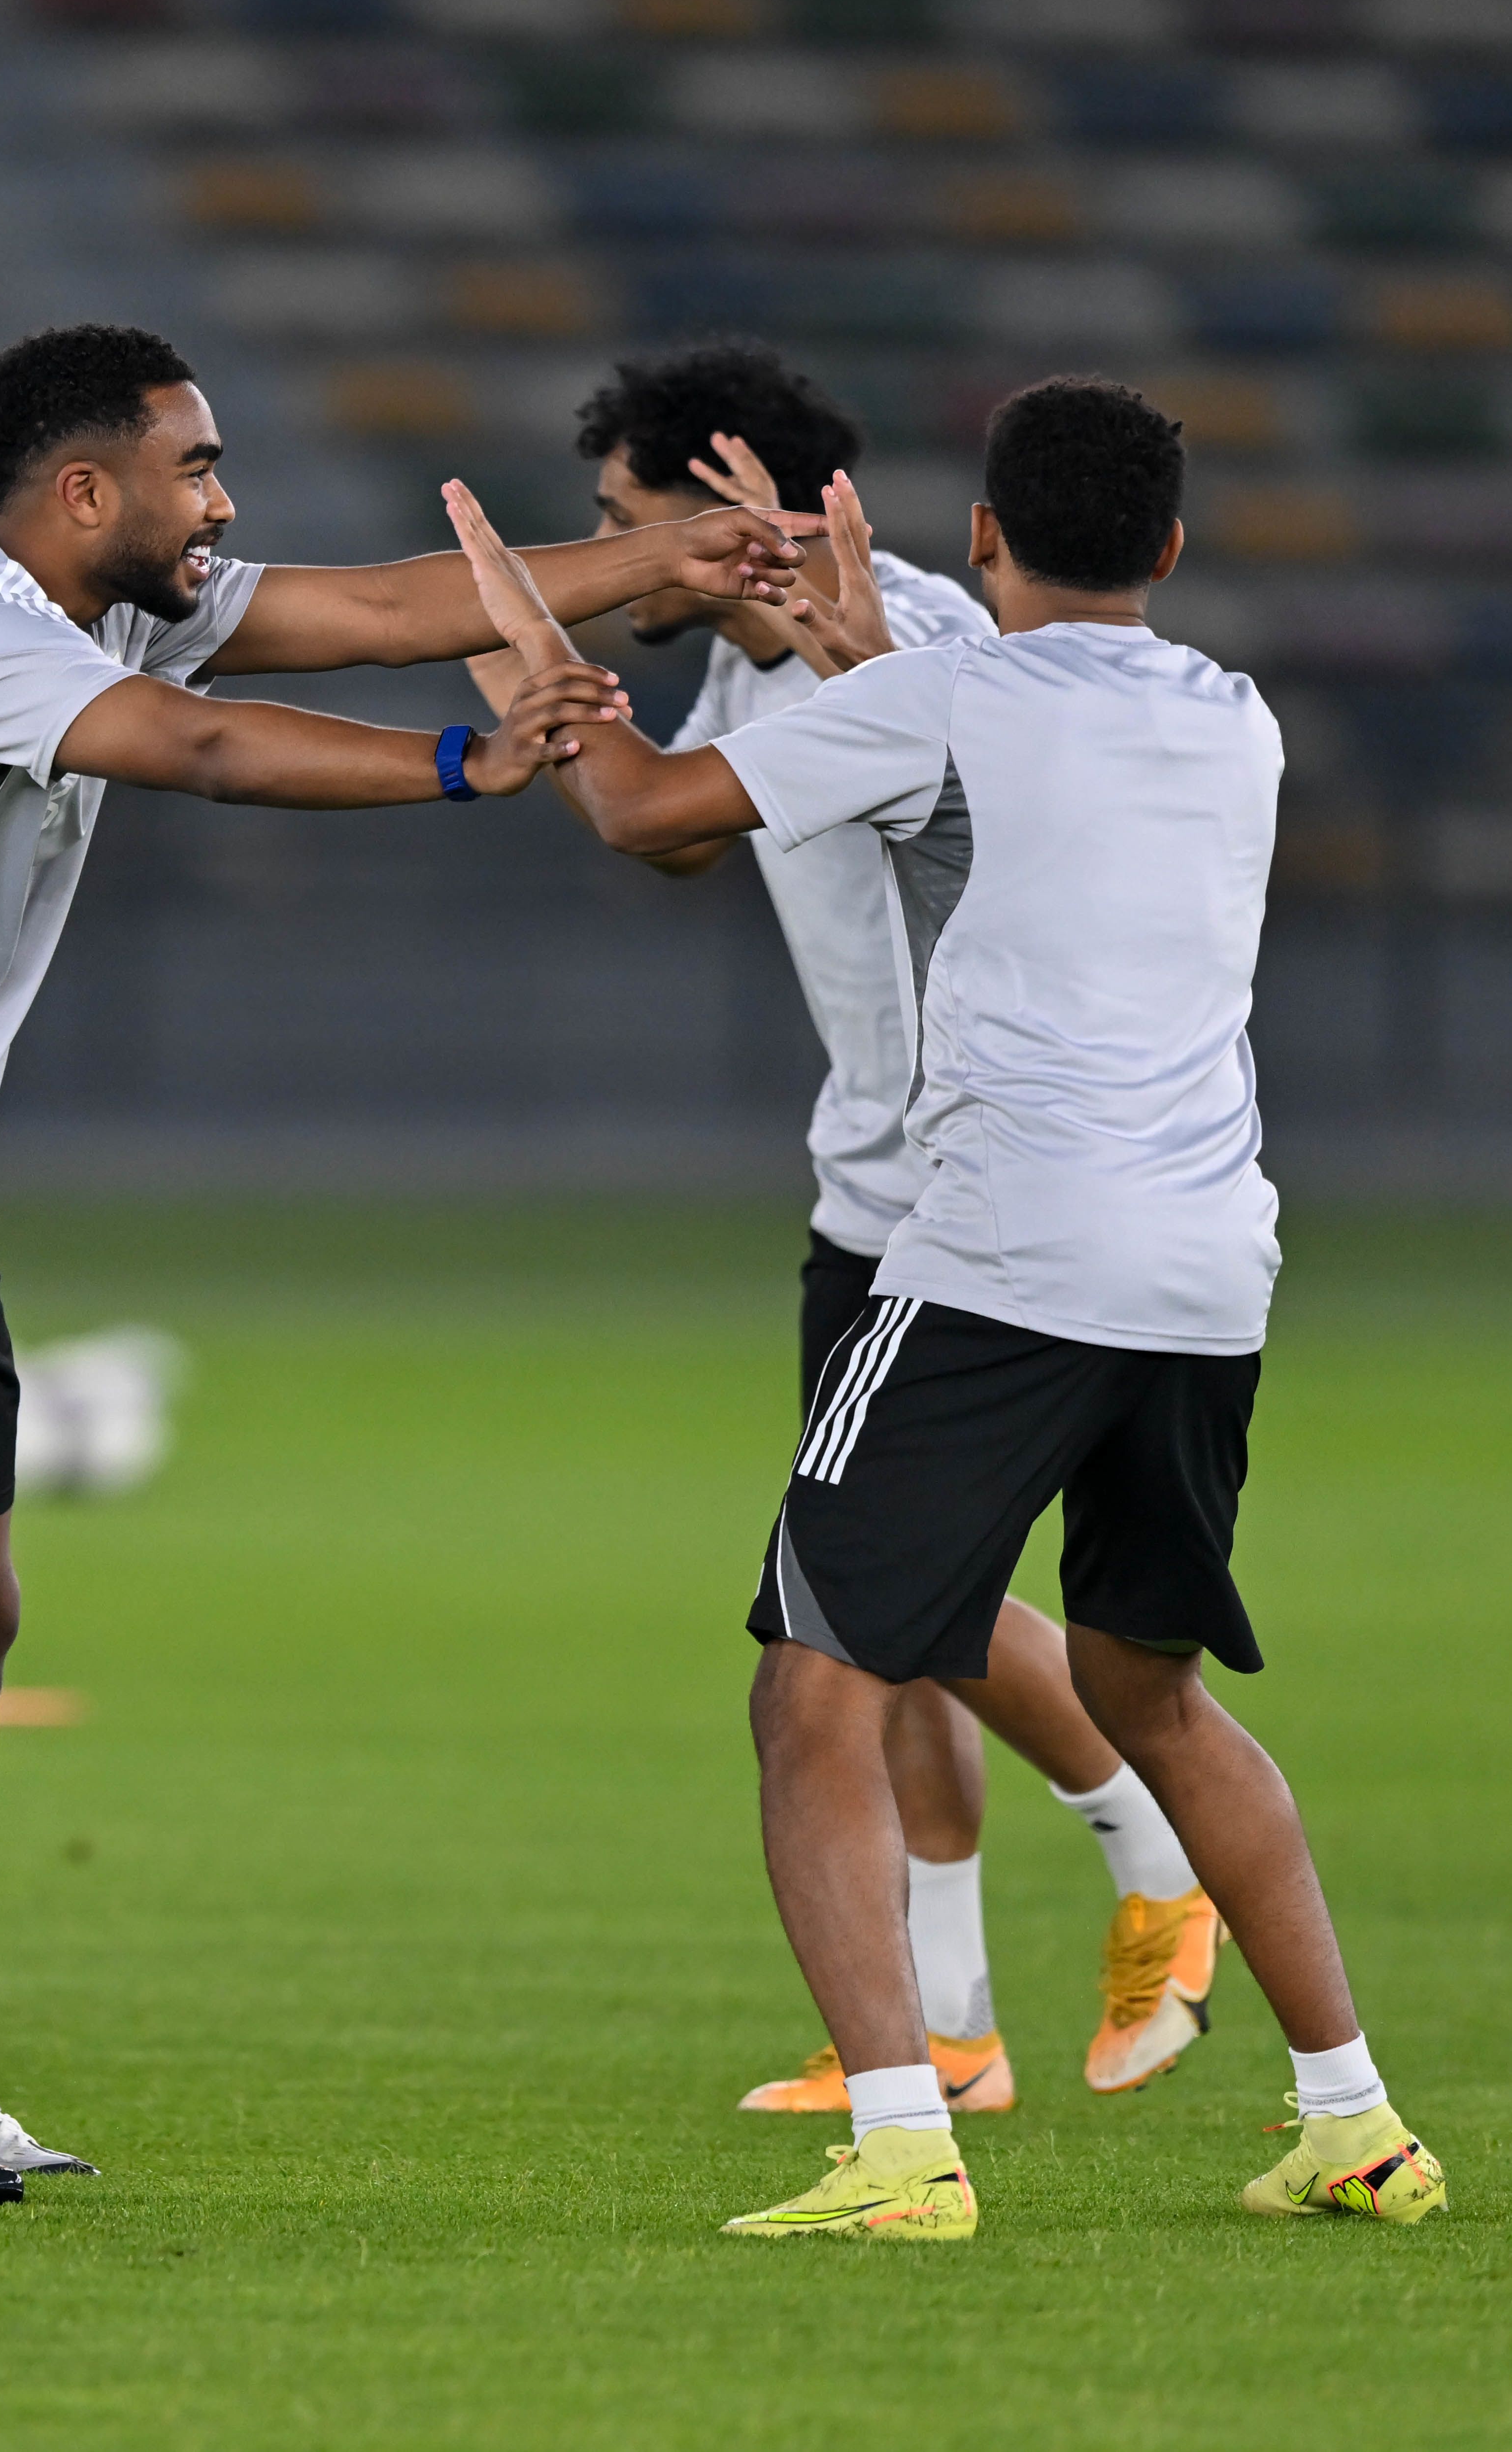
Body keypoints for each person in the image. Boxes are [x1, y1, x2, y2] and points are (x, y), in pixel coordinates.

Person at [0, 321, 809, 2201]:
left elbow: (389, 605)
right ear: (84, 489)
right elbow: (208, 749)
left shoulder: (113, 602)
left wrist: (672, 555)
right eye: (195, 468)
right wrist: (462, 762)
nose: (224, 502)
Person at [438, 380, 1445, 2241]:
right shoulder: (1233, 714)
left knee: (811, 1687)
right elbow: (1001, 791)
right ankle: (1356, 2125)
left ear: (984, 536)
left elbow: (644, 812)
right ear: (1169, 545)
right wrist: (861, 663)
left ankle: (907, 2140)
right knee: (1150, 1689)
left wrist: (531, 659)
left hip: (1001, 1257)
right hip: (1209, 1268)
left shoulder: (943, 693)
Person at [469, 340, 1222, 2115]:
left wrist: (522, 642)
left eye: (629, 520)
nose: (616, 553)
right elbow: (672, 839)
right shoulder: (748, 669)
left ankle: (1155, 1856)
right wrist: (534, 657)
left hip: (978, 1195)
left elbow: (873, 742)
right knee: (895, 1640)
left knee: (885, 1600)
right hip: (870, 1187)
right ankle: (952, 2025)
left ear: (730, 506)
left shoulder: (931, 641)